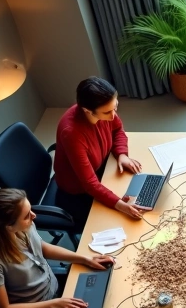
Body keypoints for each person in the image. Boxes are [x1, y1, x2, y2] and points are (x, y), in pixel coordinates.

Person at [52, 77, 150, 225]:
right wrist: (123, 207)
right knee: (115, 223)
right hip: (78, 192)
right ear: (88, 111)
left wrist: (121, 154)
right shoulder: (72, 133)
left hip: (100, 169)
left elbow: (118, 129)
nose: (113, 116)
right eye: (107, 112)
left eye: (115, 107)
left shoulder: (103, 110)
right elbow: (90, 183)